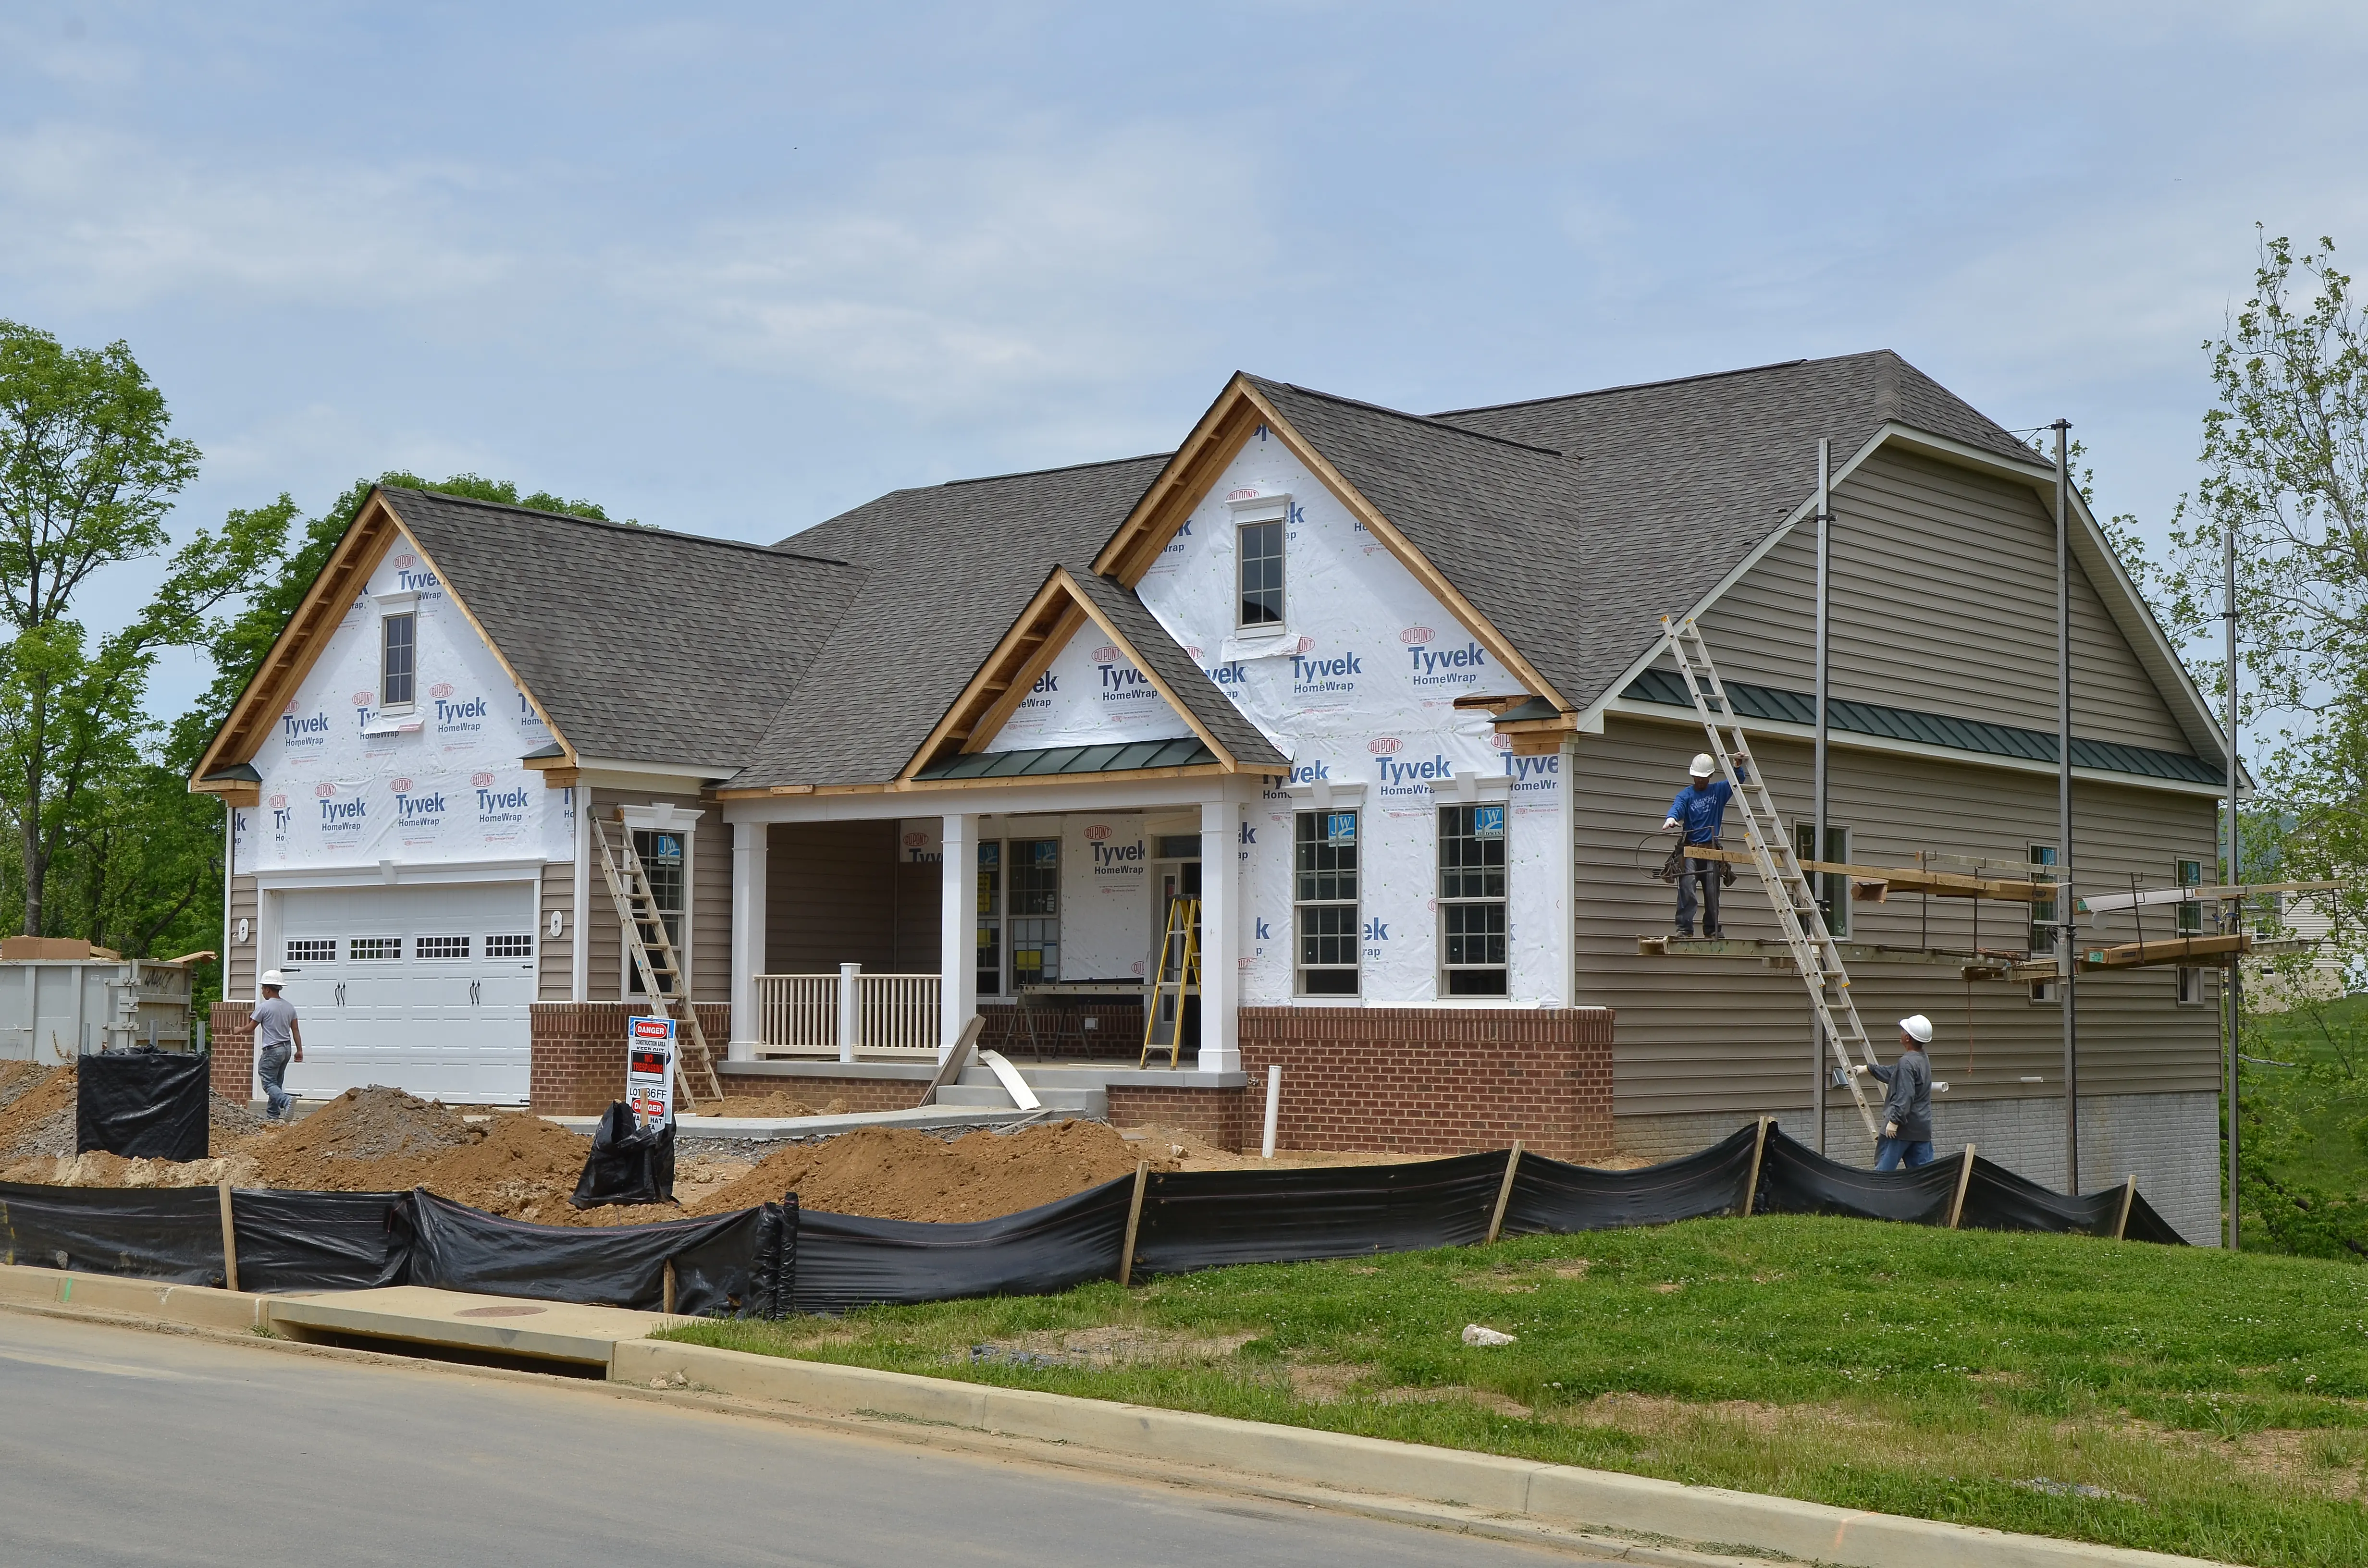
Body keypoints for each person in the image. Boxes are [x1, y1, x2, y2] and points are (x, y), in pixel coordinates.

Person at [1660, 751, 1749, 937]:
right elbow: (1677, 807)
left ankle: (1712, 929)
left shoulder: (1718, 791)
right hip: (1691, 849)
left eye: (1704, 778)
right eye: (1697, 777)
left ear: (1710, 776)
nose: (1700, 781)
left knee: (1712, 891)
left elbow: (1737, 781)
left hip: (1711, 849)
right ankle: (1684, 929)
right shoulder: (1687, 795)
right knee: (1687, 888)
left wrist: (1738, 766)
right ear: (1692, 775)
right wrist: (1671, 818)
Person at [1851, 1014, 1935, 1170]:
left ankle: (1878, 1195)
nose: (1901, 1033)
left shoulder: (1907, 1062)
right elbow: (1897, 1074)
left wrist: (1894, 1122)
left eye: (1904, 1031)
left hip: (1901, 1130)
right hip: (1922, 1129)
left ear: (1908, 1038)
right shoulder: (1922, 1059)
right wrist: (1869, 1069)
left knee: (1883, 1174)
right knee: (1923, 1175)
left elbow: (1906, 1095)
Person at [251, 970, 305, 1123]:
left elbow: (250, 1028)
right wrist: (299, 1050)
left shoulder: (264, 1007)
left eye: (263, 989)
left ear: (268, 989)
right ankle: (273, 1116)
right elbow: (295, 1030)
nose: (262, 992)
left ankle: (286, 1101)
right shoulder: (289, 1007)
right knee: (277, 1083)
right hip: (287, 1049)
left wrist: (237, 1030)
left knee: (268, 1082)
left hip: (272, 1050)